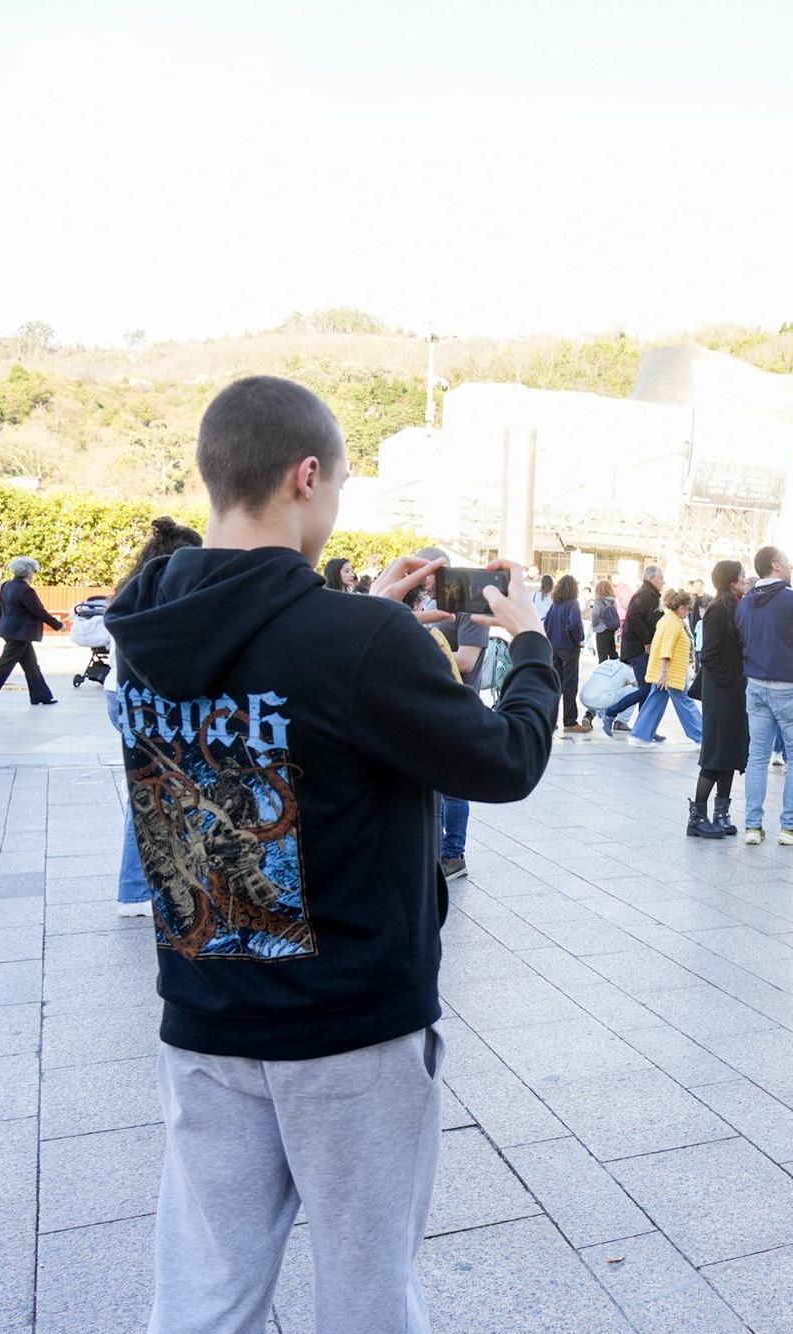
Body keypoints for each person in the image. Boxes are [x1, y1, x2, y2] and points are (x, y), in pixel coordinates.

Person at [101, 374, 557, 1332]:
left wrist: (374, 620)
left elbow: (279, 664)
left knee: (203, 1293)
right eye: (339, 484)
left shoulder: (142, 624)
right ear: (307, 476)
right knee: (365, 1294)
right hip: (348, 1029)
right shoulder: (354, 638)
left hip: (204, 1013)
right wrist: (534, 648)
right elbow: (506, 761)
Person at [106, 517, 204, 915]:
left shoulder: (134, 588)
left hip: (121, 695)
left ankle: (138, 889)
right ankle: (135, 891)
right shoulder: (175, 592)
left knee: (149, 789)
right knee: (153, 793)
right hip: (152, 701)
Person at [738, 545, 793, 846]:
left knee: (757, 757)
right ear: (776, 566)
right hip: (789, 687)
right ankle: (790, 827)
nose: (790, 568)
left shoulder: (745, 601)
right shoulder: (791, 597)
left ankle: (753, 826)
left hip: (756, 685)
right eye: (787, 562)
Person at [415, 546, 493, 881]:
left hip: (458, 704)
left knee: (453, 788)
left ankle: (453, 855)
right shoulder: (434, 605)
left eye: (426, 573)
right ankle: (436, 854)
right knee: (435, 785)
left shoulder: (470, 610)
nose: (422, 581)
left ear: (442, 570)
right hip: (433, 704)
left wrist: (419, 648)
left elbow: (466, 660)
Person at [695, 559, 750, 837]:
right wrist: (732, 682)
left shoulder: (735, 606)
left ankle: (721, 813)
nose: (746, 579)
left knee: (729, 752)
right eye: (741, 576)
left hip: (733, 692)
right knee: (716, 753)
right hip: (721, 694)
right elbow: (710, 656)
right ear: (730, 580)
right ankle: (698, 815)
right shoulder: (718, 610)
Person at [0, 558, 64, 707]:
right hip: (20, 634)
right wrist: (58, 625)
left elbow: (0, 608)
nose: (33, 574)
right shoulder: (25, 590)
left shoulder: (7, 585)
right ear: (28, 572)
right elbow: (38, 611)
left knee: (31, 665)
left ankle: (41, 696)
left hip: (11, 631)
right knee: (5, 665)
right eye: (33, 571)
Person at [630, 588, 704, 749]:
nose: (689, 612)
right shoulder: (674, 624)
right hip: (671, 673)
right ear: (681, 607)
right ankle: (702, 736)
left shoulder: (666, 620)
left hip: (664, 671)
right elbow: (667, 649)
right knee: (685, 703)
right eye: (689, 608)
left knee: (655, 702)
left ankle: (640, 735)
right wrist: (664, 672)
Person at [602, 565, 665, 737]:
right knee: (646, 689)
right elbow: (633, 618)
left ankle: (644, 729)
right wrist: (646, 641)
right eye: (661, 579)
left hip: (643, 648)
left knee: (648, 689)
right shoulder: (644, 594)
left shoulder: (650, 595)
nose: (663, 582)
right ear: (652, 578)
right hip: (638, 648)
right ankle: (611, 713)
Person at [544, 574, 588, 733]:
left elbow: (547, 623)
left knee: (555, 684)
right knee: (570, 685)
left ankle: (549, 719)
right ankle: (569, 721)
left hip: (554, 647)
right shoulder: (573, 603)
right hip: (569, 647)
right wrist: (578, 640)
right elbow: (575, 624)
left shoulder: (555, 604)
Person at [590, 578, 620, 662]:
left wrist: (594, 624)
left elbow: (595, 613)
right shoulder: (613, 601)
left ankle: (603, 673)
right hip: (611, 629)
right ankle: (614, 671)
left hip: (601, 630)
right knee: (612, 653)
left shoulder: (598, 601)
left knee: (602, 656)